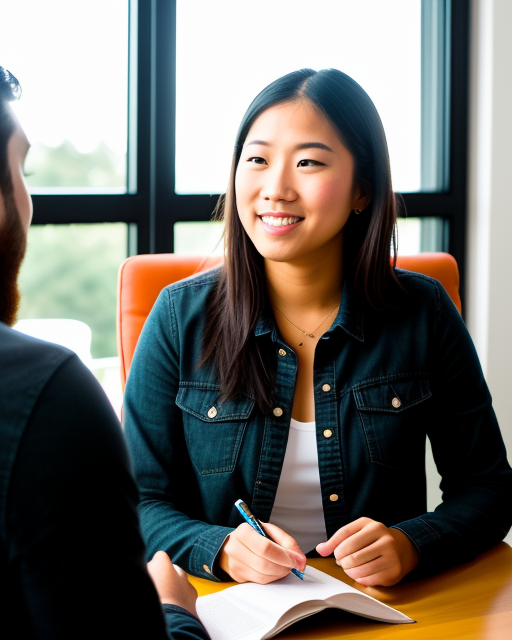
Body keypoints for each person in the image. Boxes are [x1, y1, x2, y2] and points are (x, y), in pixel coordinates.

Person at [123, 68, 512, 588]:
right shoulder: (177, 316)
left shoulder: (423, 311)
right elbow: (136, 502)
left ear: (362, 191)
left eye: (308, 163)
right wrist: (218, 549)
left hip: (388, 611)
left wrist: (413, 543)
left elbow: (488, 488)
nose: (276, 189)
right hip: (224, 609)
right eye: (257, 159)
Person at [0, 66, 210, 639]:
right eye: (19, 169)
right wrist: (175, 611)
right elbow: (148, 499)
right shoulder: (47, 398)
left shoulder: (423, 311)